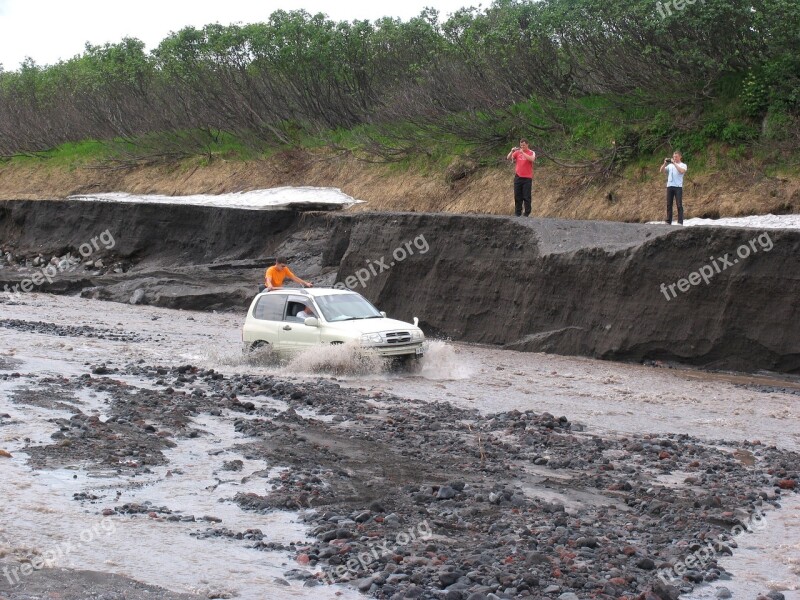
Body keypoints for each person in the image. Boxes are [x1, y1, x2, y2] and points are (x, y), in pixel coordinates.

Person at [506, 139, 536, 217]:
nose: (522, 147)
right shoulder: (517, 152)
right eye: (521, 145)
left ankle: (527, 213)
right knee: (517, 196)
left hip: (527, 178)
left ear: (527, 145)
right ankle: (517, 213)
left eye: (524, 145)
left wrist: (523, 153)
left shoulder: (531, 152)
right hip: (518, 177)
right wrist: (512, 151)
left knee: (526, 196)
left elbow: (532, 159)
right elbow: (508, 158)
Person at [660, 151, 688, 225]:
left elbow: (681, 171)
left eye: (676, 156)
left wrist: (674, 163)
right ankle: (668, 221)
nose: (674, 158)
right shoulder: (670, 166)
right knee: (669, 204)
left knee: (679, 204)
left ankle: (680, 222)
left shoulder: (683, 165)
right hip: (670, 186)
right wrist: (664, 163)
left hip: (678, 187)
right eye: (673, 156)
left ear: (680, 157)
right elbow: (661, 170)